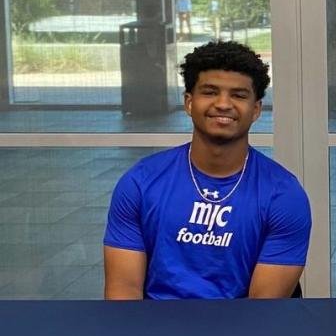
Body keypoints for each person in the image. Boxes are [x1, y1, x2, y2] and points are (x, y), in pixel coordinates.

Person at [103, 41, 312, 300]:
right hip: (154, 332)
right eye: (210, 92)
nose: (223, 104)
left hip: (241, 334)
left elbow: (263, 310)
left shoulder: (284, 195)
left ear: (256, 110)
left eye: (238, 95)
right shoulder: (140, 183)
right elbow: (124, 295)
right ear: (189, 102)